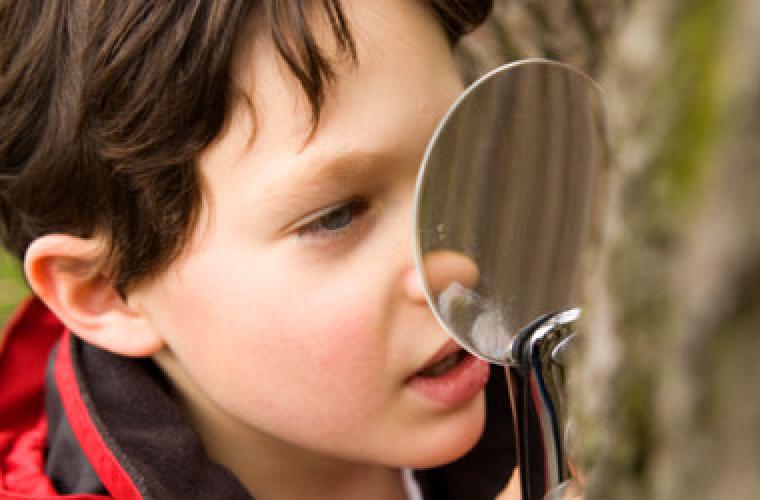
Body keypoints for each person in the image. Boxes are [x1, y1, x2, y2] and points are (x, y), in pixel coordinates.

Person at [0, 1, 518, 498]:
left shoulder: (551, 390)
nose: (460, 260)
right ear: (108, 292)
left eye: (453, 158)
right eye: (338, 216)